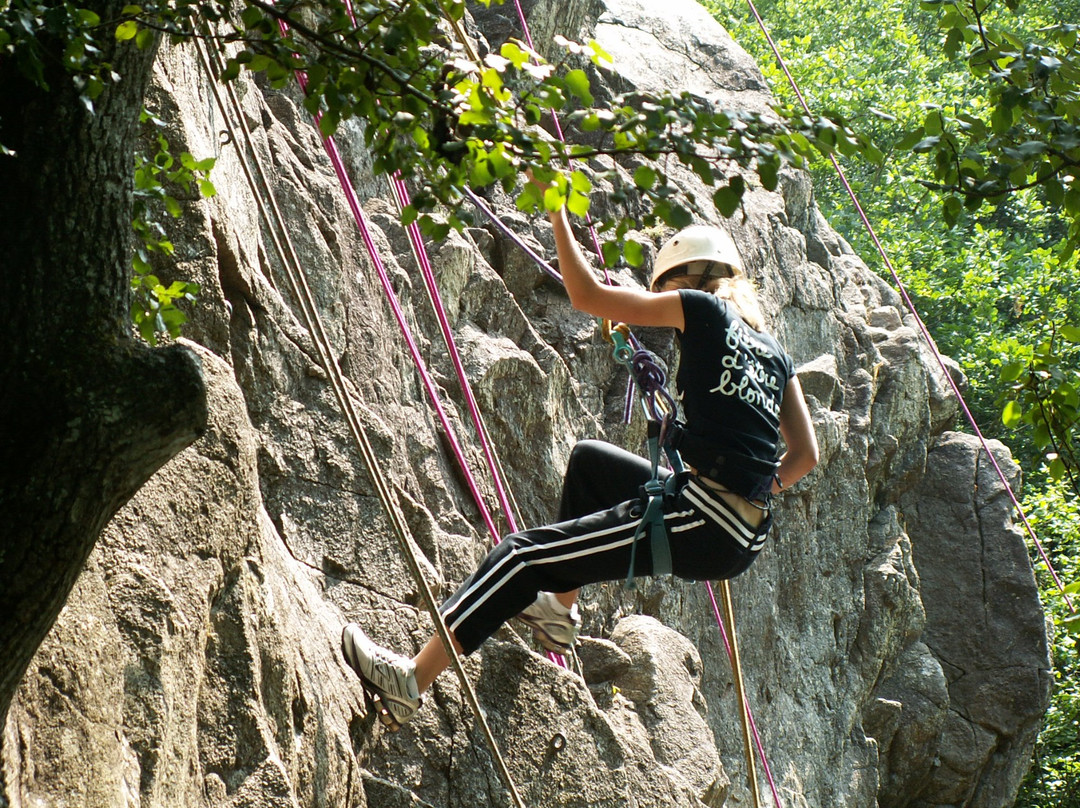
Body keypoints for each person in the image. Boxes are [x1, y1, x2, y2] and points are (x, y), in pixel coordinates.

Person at [341, 191, 820, 729]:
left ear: (681, 282)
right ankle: (556, 609)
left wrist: (557, 214)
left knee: (521, 557)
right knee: (592, 463)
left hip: (706, 519)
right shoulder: (776, 354)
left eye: (662, 294)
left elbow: (585, 293)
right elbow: (805, 455)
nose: (663, 307)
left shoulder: (700, 310)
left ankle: (411, 681)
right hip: (737, 529)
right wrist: (746, 482)